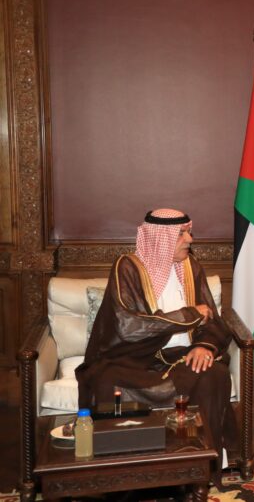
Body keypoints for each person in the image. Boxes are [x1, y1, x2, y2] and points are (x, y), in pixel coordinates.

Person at [76, 208, 238, 487]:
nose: (189, 239)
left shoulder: (191, 268)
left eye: (188, 232)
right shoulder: (127, 268)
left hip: (180, 356)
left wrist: (204, 346)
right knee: (107, 381)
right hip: (132, 357)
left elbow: (211, 318)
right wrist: (188, 315)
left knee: (213, 375)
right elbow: (128, 325)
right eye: (181, 234)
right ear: (159, 238)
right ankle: (123, 470)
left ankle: (199, 466)